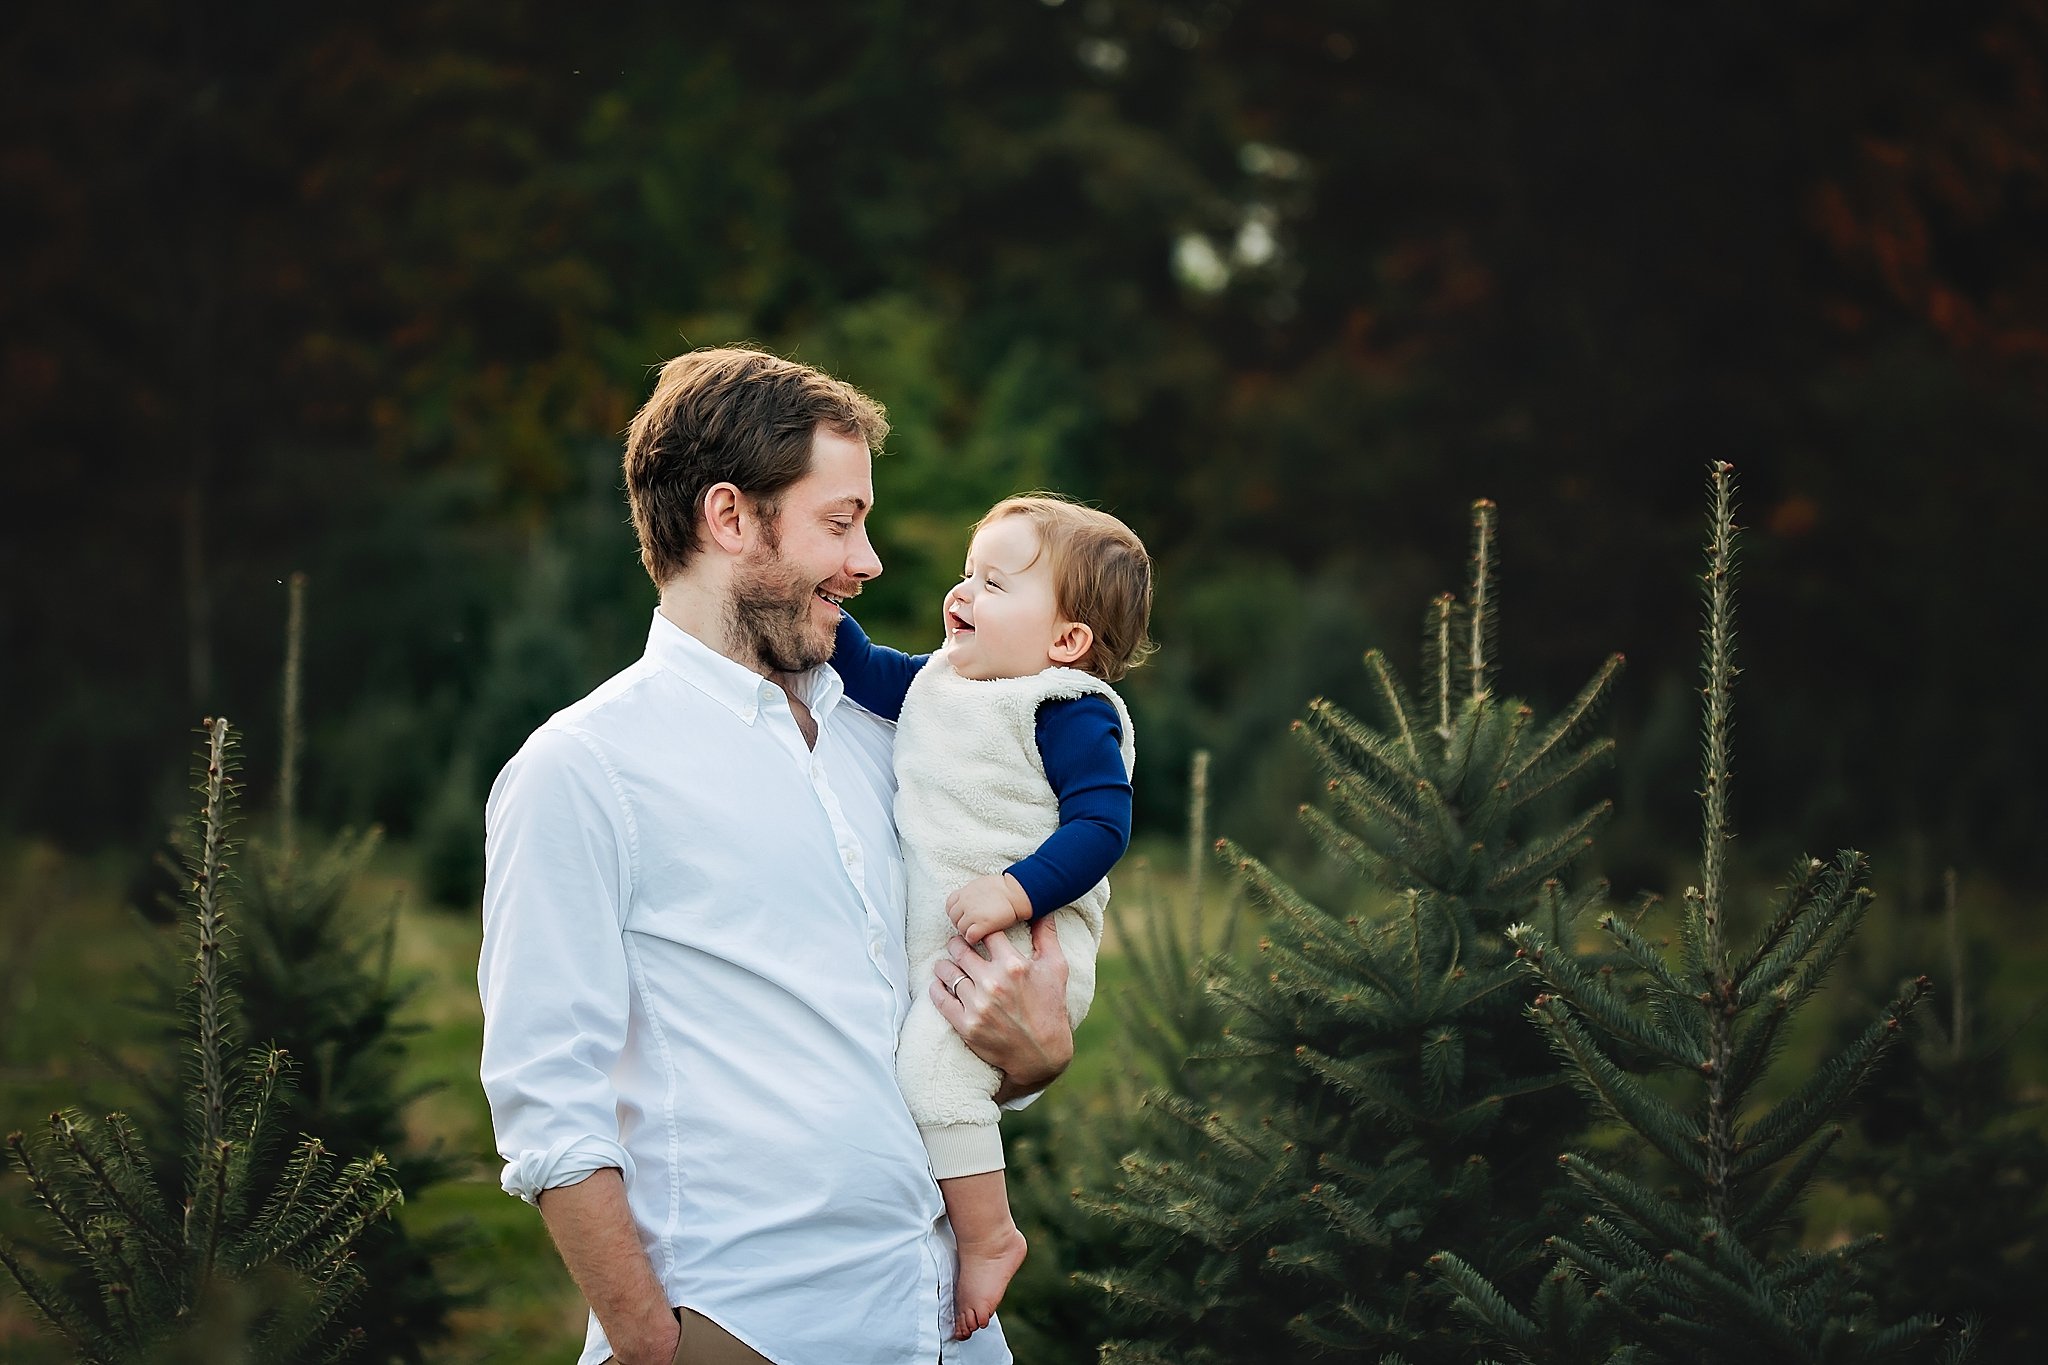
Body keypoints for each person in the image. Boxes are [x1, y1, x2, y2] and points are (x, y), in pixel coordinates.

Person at [477, 347, 1076, 1365]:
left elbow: (940, 1016)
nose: (869, 560)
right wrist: (649, 1344)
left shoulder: (893, 745)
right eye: (838, 523)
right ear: (729, 519)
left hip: (946, 1330)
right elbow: (546, 1106)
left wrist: (1031, 1060)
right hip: (747, 1329)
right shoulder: (584, 770)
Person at [829, 496, 1152, 1339]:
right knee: (918, 1067)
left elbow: (1100, 825)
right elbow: (863, 668)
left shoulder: (1065, 706)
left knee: (935, 1076)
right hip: (961, 944)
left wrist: (1015, 890)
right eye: (968, 572)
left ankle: (990, 1235)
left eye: (995, 582)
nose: (961, 592)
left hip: (1027, 948)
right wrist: (818, 606)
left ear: (1066, 640)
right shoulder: (940, 681)